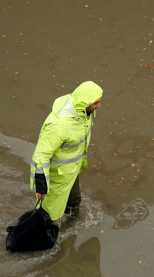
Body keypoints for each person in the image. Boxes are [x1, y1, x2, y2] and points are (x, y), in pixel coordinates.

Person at [30, 81, 103, 222]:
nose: (98, 106)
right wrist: (41, 186)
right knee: (50, 213)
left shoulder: (83, 110)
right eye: (96, 103)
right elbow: (41, 155)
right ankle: (51, 236)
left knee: (74, 202)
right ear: (85, 102)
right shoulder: (58, 125)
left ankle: (71, 225)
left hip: (71, 171)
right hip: (56, 178)